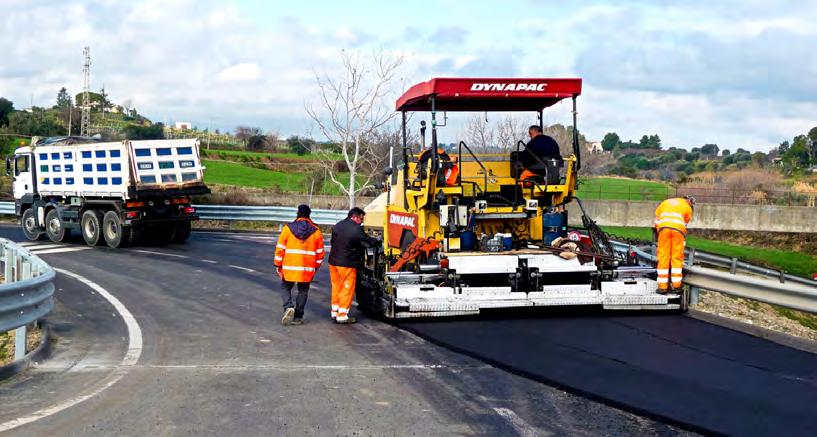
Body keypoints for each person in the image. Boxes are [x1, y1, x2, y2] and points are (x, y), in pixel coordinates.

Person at [274, 204, 325, 325]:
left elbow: (280, 248)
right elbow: (320, 253)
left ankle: (288, 307)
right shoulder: (316, 231)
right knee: (303, 291)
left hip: (289, 266)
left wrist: (278, 264)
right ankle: (298, 317)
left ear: (298, 213)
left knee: (285, 287)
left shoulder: (288, 228)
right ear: (309, 215)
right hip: (307, 268)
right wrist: (316, 267)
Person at [328, 207, 378, 324]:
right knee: (347, 288)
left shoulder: (338, 225)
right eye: (361, 219)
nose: (362, 221)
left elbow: (332, 242)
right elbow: (368, 241)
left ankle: (334, 312)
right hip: (346, 264)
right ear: (354, 216)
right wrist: (377, 241)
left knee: (336, 287)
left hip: (333, 262)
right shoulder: (356, 229)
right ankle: (342, 315)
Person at [654, 196, 695, 293]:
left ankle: (662, 287)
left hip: (663, 230)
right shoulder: (687, 207)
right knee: (676, 257)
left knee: (663, 256)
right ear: (689, 202)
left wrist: (659, 230)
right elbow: (685, 223)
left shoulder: (665, 202)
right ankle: (677, 286)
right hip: (678, 231)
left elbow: (657, 219)